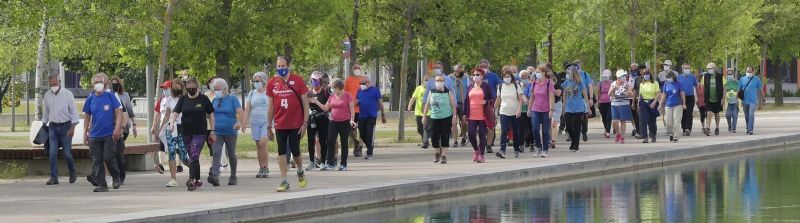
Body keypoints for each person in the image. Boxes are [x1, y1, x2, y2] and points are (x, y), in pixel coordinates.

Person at [266, 56, 309, 192]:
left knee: (295, 149)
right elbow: (270, 106)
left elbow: (305, 103)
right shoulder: (272, 82)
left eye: (283, 66)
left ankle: (300, 170)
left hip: (296, 122)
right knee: (281, 151)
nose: (281, 69)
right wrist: (268, 126)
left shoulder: (298, 80)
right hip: (280, 123)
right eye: (278, 66)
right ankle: (284, 181)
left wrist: (305, 124)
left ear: (288, 66)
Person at [170, 77, 215, 191]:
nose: (190, 89)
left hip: (200, 132)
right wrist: (172, 123)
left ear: (197, 87)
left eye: (192, 87)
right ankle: (198, 180)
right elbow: (175, 112)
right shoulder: (183, 99)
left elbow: (211, 115)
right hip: (187, 132)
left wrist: (213, 131)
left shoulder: (203, 99)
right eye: (188, 87)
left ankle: (191, 180)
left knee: (194, 154)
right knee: (193, 157)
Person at [82, 72, 124, 192]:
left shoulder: (111, 96)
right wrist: (85, 132)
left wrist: (117, 128)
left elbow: (119, 113)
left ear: (105, 83)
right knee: (97, 160)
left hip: (109, 134)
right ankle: (102, 184)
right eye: (95, 83)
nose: (97, 84)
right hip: (95, 135)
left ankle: (116, 177)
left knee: (108, 157)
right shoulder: (91, 98)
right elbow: (87, 116)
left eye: (99, 82)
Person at [42, 74, 79, 185]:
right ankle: (54, 177)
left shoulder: (68, 94)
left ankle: (72, 172)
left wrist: (72, 127)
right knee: (52, 152)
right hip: (53, 127)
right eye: (51, 84)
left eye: (55, 83)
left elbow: (74, 112)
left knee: (67, 153)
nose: (53, 86)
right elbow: (46, 112)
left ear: (60, 82)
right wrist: (44, 124)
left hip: (66, 127)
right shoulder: (47, 95)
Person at [311, 78, 354, 171]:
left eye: (333, 88)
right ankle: (330, 163)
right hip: (333, 121)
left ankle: (343, 164)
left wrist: (352, 119)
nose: (332, 90)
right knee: (330, 141)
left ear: (338, 87)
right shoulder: (332, 96)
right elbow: (326, 108)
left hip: (345, 122)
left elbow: (352, 109)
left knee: (344, 143)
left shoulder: (347, 95)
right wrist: (316, 102)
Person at [153, 79, 189, 187]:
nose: (176, 88)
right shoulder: (168, 100)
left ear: (182, 88)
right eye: (174, 86)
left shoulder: (186, 99)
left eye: (178, 86)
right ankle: (173, 179)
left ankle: (195, 171)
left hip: (183, 127)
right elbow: (167, 115)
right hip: (171, 128)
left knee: (183, 155)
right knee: (171, 152)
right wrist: (161, 128)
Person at [209, 78, 242, 186]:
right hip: (217, 131)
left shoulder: (233, 99)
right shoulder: (214, 100)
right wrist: (212, 130)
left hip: (230, 131)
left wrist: (239, 123)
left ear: (225, 88)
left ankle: (233, 176)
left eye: (219, 89)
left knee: (231, 153)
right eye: (215, 89)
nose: (217, 91)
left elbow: (240, 113)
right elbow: (211, 115)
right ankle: (215, 175)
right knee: (216, 152)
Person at [423, 75, 458, 164]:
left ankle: (444, 155)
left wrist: (454, 117)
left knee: (444, 135)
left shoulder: (448, 92)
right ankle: (437, 151)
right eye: (438, 80)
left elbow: (453, 105)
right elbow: (427, 105)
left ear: (444, 82)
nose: (439, 82)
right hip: (434, 117)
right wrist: (424, 116)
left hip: (446, 117)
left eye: (441, 80)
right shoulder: (431, 92)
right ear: (434, 82)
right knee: (433, 135)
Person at [243, 72, 272, 178]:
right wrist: (244, 122)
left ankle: (266, 167)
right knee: (258, 145)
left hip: (266, 121)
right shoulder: (252, 93)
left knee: (263, 143)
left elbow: (272, 107)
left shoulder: (269, 92)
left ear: (263, 81)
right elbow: (247, 109)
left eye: (258, 81)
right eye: (254, 81)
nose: (256, 83)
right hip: (255, 122)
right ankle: (261, 167)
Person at [464, 68, 495, 163]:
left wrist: (486, 101)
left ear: (482, 76)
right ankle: (476, 150)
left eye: (478, 75)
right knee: (471, 134)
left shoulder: (486, 86)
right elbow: (466, 101)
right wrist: (465, 114)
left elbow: (492, 98)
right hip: (471, 115)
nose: (475, 76)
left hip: (483, 115)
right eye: (474, 75)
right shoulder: (470, 86)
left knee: (482, 135)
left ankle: (481, 155)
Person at [109, 76, 136, 185]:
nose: (115, 85)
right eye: (113, 84)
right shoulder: (109, 95)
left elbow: (129, 110)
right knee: (111, 152)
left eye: (116, 84)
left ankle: (121, 175)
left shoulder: (124, 96)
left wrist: (134, 125)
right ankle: (114, 175)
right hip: (111, 127)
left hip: (123, 128)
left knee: (118, 153)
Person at [495, 66, 524, 159]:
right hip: (504, 111)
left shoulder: (516, 85)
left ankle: (516, 149)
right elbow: (498, 99)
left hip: (514, 111)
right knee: (504, 130)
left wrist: (519, 109)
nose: (506, 78)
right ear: (502, 78)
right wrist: (493, 108)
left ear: (511, 77)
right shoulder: (500, 86)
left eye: (508, 76)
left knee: (515, 131)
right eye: (505, 77)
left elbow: (520, 99)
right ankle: (502, 150)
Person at [527, 66, 556, 158]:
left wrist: (551, 110)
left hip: (546, 110)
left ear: (544, 73)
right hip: (535, 109)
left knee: (545, 131)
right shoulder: (534, 83)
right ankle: (538, 147)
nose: (537, 73)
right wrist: (529, 109)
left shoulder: (548, 83)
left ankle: (545, 149)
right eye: (536, 72)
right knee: (535, 129)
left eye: (539, 72)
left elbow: (551, 96)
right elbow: (532, 96)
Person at [356, 78, 386, 160]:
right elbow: (357, 101)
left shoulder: (375, 90)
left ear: (368, 83)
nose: (361, 85)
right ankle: (369, 146)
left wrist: (383, 115)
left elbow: (380, 103)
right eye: (360, 83)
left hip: (371, 116)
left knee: (370, 134)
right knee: (362, 134)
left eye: (363, 83)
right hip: (362, 116)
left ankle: (369, 152)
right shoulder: (359, 91)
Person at [304, 71, 329, 170]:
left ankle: (323, 162)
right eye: (313, 80)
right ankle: (311, 161)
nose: (314, 82)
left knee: (323, 140)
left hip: (323, 118)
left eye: (316, 80)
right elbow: (304, 104)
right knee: (311, 140)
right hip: (311, 118)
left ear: (320, 81)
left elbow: (329, 106)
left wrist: (316, 102)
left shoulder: (326, 92)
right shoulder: (309, 92)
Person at [562, 66, 589, 151]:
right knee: (569, 126)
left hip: (578, 107)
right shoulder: (566, 82)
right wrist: (564, 107)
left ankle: (576, 145)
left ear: (573, 73)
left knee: (577, 127)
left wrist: (588, 106)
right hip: (569, 107)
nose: (567, 74)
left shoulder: (580, 82)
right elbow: (564, 95)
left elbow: (585, 94)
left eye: (569, 72)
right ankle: (573, 140)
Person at [478, 59, 501, 153]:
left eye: (485, 67)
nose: (484, 68)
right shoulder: (477, 76)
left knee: (491, 125)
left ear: (489, 66)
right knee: (480, 125)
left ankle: (489, 145)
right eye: (482, 67)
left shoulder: (494, 76)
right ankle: (482, 143)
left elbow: (499, 87)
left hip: (492, 103)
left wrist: (498, 101)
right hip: (479, 104)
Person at [344, 64, 366, 157]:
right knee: (350, 129)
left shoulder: (364, 79)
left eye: (358, 68)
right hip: (351, 109)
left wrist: (359, 101)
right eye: (355, 68)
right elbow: (345, 93)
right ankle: (355, 141)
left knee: (362, 129)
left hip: (362, 108)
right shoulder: (348, 79)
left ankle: (359, 148)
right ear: (352, 69)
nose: (357, 69)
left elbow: (367, 93)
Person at [659, 72, 685, 142]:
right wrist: (661, 104)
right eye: (667, 78)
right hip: (668, 105)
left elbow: (682, 93)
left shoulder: (678, 83)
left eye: (670, 77)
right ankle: (671, 133)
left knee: (677, 121)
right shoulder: (666, 84)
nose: (668, 79)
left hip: (678, 105)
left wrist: (684, 103)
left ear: (673, 77)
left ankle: (676, 136)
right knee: (668, 123)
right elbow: (664, 94)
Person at [610, 70, 634, 144]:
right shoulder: (613, 83)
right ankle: (618, 134)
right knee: (614, 122)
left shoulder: (627, 84)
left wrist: (629, 93)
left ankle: (622, 137)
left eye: (624, 76)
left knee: (623, 121)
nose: (624, 77)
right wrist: (613, 89)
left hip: (624, 104)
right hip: (614, 104)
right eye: (622, 76)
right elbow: (609, 93)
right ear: (618, 77)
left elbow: (631, 95)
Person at [637, 68, 661, 143]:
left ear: (650, 74)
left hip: (652, 102)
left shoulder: (655, 83)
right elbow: (640, 95)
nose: (645, 75)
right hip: (643, 102)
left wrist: (654, 102)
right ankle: (645, 137)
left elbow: (658, 94)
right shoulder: (642, 84)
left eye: (647, 74)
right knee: (643, 120)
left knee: (652, 121)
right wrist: (638, 103)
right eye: (644, 74)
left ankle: (653, 135)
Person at [701, 63, 725, 136]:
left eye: (710, 68)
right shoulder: (705, 76)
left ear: (714, 68)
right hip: (708, 98)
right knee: (708, 113)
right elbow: (702, 87)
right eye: (708, 69)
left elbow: (725, 87)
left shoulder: (720, 76)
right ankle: (708, 128)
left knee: (717, 114)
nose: (709, 70)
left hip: (718, 98)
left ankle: (717, 128)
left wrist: (723, 98)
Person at [573, 61, 594, 142]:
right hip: (574, 98)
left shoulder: (585, 74)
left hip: (583, 97)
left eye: (578, 64)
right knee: (575, 116)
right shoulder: (572, 75)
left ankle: (584, 132)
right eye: (575, 65)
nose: (577, 66)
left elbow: (590, 86)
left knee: (584, 116)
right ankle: (574, 133)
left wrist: (591, 98)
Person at [408, 75, 431, 148]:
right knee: (419, 129)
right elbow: (413, 98)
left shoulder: (431, 89)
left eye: (428, 80)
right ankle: (425, 140)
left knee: (425, 128)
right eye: (425, 80)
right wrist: (409, 106)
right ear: (422, 81)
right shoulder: (418, 89)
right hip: (418, 112)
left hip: (428, 112)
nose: (427, 82)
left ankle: (425, 142)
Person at [739, 66, 764, 135]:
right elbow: (739, 90)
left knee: (751, 115)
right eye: (747, 71)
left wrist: (763, 98)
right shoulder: (742, 79)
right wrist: (737, 100)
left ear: (753, 72)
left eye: (750, 71)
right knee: (746, 116)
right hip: (744, 101)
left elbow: (760, 89)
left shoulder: (757, 80)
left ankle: (750, 129)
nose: (748, 73)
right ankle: (748, 127)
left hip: (753, 101)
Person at [449, 64, 469, 147]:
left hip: (463, 102)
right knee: (454, 122)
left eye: (460, 70)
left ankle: (464, 137)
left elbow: (470, 88)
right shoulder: (449, 77)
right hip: (453, 102)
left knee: (464, 122)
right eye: (456, 70)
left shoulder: (467, 78)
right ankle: (455, 141)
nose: (458, 72)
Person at [678, 64, 699, 136]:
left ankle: (688, 129)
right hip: (681, 98)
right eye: (686, 68)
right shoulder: (679, 77)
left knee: (689, 113)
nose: (687, 70)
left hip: (690, 97)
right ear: (682, 69)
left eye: (688, 68)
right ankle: (684, 129)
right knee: (683, 114)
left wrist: (697, 97)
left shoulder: (692, 77)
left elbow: (696, 87)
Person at [518, 69, 533, 150]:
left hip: (531, 109)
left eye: (526, 76)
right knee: (522, 128)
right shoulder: (517, 85)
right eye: (522, 76)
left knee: (531, 127)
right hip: (521, 109)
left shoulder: (532, 85)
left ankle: (531, 143)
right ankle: (521, 144)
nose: (524, 78)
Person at [550, 71, 565, 149]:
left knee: (554, 123)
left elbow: (558, 94)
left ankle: (553, 141)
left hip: (556, 105)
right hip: (546, 106)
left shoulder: (557, 85)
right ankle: (547, 140)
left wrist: (551, 88)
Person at [597, 69, 613, 139]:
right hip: (602, 102)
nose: (605, 78)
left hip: (610, 102)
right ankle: (606, 128)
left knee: (609, 117)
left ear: (609, 76)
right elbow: (598, 92)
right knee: (604, 117)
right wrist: (597, 101)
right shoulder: (600, 83)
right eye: (604, 77)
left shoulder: (612, 83)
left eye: (606, 76)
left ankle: (608, 131)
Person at [628, 63, 643, 138]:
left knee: (638, 115)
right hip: (630, 97)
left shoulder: (639, 77)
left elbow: (637, 87)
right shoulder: (628, 76)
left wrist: (633, 91)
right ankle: (635, 128)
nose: (633, 69)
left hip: (638, 97)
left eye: (635, 68)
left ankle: (639, 130)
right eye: (632, 68)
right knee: (633, 114)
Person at [724, 68, 740, 133]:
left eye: (730, 74)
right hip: (728, 101)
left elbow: (740, 90)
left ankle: (734, 128)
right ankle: (729, 125)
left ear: (733, 74)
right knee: (728, 115)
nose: (729, 75)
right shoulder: (726, 82)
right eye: (728, 74)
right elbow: (724, 91)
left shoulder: (736, 82)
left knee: (734, 115)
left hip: (735, 101)